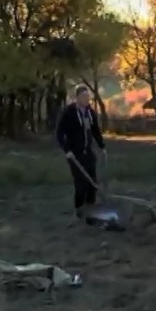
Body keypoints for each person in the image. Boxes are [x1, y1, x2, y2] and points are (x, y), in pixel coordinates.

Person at [56, 84, 107, 220]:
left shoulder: (90, 112)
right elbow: (59, 134)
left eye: (88, 97)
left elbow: (95, 130)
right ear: (77, 97)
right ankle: (79, 212)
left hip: (88, 152)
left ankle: (91, 212)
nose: (87, 99)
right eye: (84, 97)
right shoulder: (69, 113)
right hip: (75, 154)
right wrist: (67, 150)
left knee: (92, 184)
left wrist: (102, 147)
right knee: (80, 185)